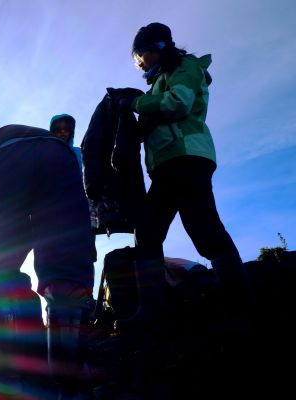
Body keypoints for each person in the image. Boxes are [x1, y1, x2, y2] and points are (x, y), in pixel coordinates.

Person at [115, 22, 247, 332]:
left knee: (205, 230)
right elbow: (157, 119)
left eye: (140, 57)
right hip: (166, 165)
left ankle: (240, 308)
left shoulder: (185, 67)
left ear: (157, 48)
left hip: (189, 158)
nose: (140, 65)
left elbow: (179, 103)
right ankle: (152, 312)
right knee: (146, 232)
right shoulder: (159, 80)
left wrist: (134, 103)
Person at [0, 124, 96, 398]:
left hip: (5, 154)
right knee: (65, 263)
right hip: (61, 157)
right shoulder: (58, 146)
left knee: (0, 267)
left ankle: (14, 361)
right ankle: (69, 370)